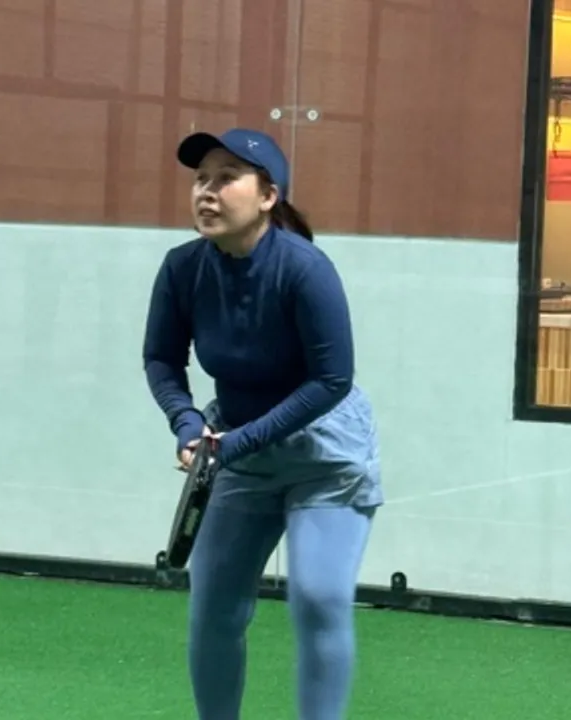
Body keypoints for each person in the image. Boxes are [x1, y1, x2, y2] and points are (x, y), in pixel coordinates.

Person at [142, 127, 384, 720]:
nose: (207, 191)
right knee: (213, 609)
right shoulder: (181, 269)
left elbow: (332, 379)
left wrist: (234, 444)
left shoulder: (305, 269)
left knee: (319, 599)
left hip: (324, 454)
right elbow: (161, 359)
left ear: (268, 196)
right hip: (235, 448)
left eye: (227, 178)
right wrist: (186, 424)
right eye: (201, 179)